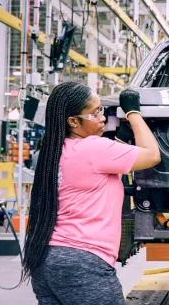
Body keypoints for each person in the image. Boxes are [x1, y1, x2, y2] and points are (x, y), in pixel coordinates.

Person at [22, 82, 161, 305]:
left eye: (101, 110)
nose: (103, 118)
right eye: (94, 113)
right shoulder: (93, 148)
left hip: (45, 259)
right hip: (83, 261)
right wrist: (133, 112)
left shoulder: (50, 153)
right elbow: (152, 155)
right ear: (73, 121)